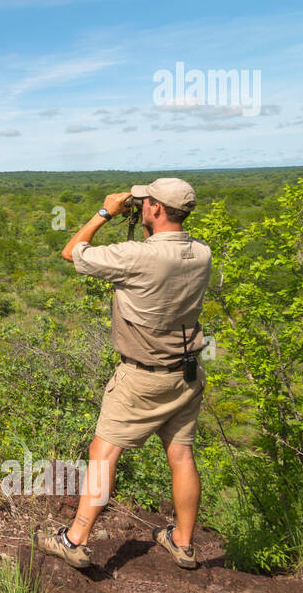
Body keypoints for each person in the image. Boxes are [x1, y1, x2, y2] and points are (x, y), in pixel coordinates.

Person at [35, 177, 212, 570]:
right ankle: (183, 543)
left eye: (146, 201)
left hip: (141, 376)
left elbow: (73, 252)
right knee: (181, 455)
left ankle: (75, 539)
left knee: (103, 453)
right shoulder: (202, 253)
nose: (142, 205)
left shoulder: (137, 256)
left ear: (156, 210)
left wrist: (106, 212)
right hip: (185, 374)